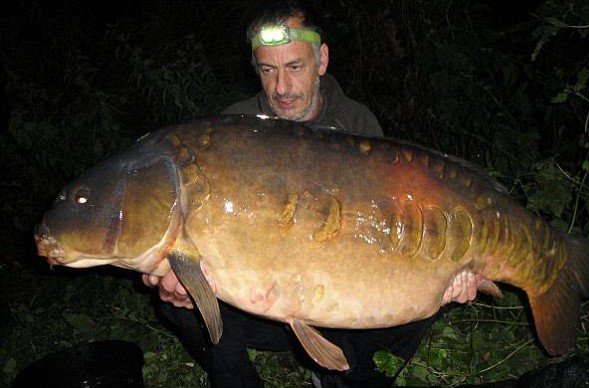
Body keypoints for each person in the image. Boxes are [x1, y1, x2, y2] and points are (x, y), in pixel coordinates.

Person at [143, 1, 465, 386]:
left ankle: (351, 377)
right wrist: (181, 281)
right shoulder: (233, 130)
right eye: (268, 70)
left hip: (338, 302)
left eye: (294, 68)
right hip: (262, 308)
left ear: (322, 60)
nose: (281, 87)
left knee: (428, 287)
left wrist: (447, 275)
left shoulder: (357, 124)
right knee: (178, 298)